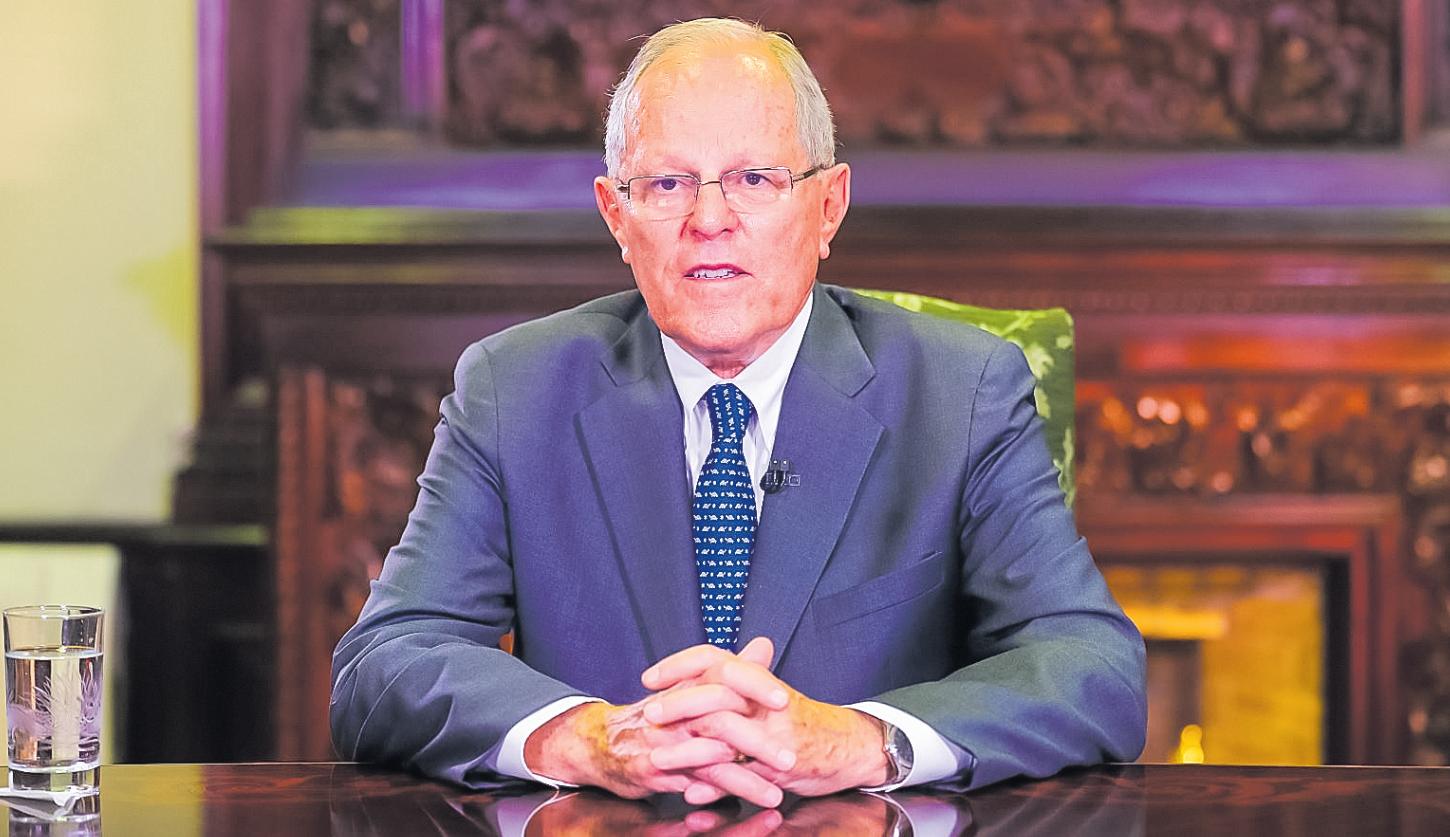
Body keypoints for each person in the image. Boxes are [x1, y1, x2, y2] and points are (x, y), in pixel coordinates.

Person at [329, 17, 1145, 809]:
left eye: (755, 179)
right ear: (616, 215)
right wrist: (582, 738)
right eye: (667, 184)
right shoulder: (515, 389)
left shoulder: (961, 392)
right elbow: (384, 662)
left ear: (829, 206)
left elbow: (1092, 667)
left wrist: (864, 740)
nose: (710, 220)